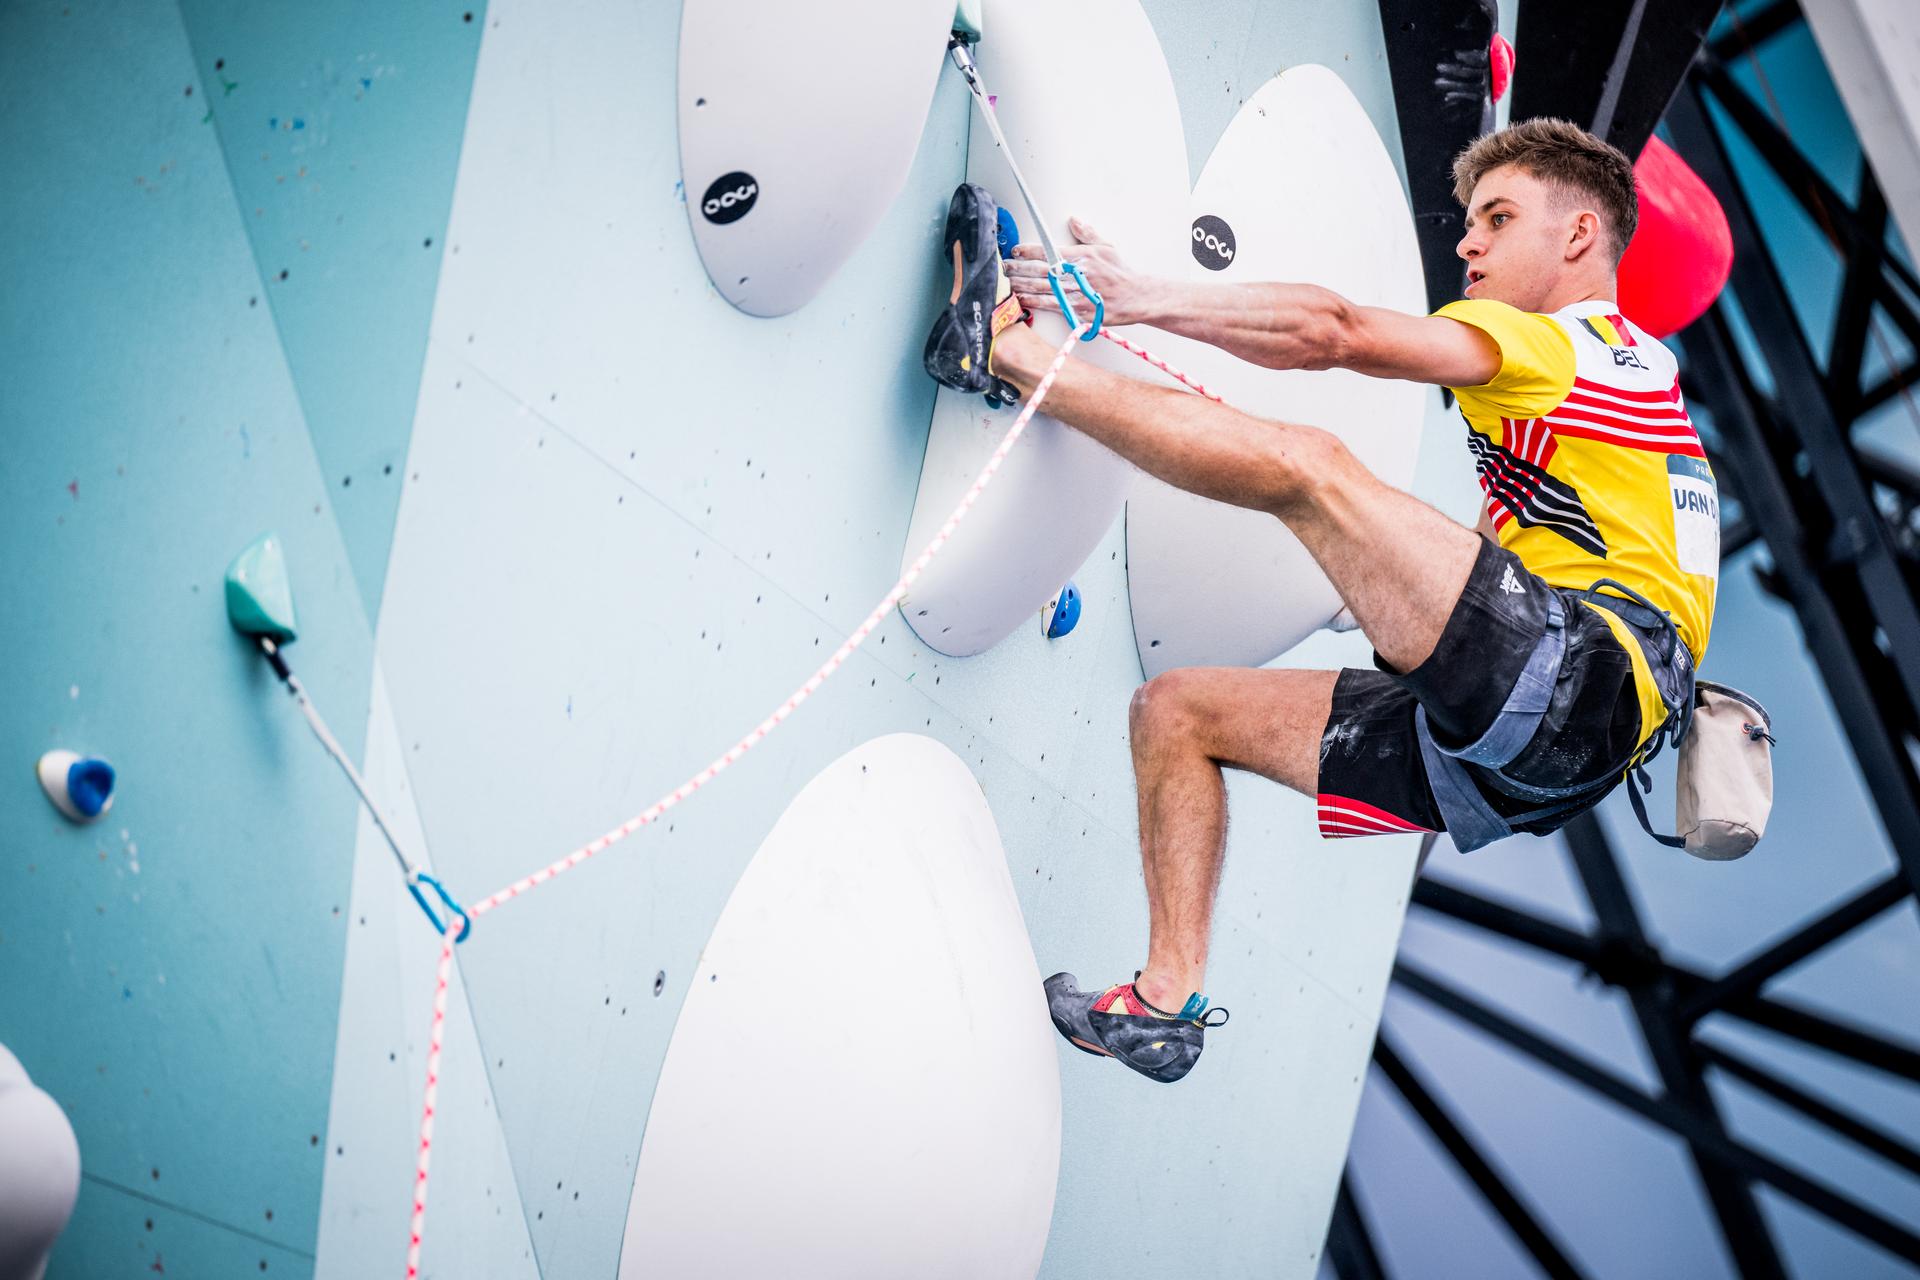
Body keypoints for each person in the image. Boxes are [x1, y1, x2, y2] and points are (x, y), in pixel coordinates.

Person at [920, 118, 1720, 1084]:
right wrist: (1388, 588)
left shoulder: (1559, 342)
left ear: (1581, 237)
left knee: (1312, 466)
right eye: (1469, 223)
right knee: (1177, 714)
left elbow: (1334, 331)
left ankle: (1002, 354)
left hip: (1569, 681)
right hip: (1539, 758)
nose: (1466, 244)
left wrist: (1139, 299)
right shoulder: (1645, 384)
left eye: (1497, 220)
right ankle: (1164, 1004)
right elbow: (1505, 550)